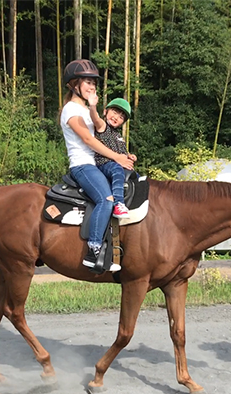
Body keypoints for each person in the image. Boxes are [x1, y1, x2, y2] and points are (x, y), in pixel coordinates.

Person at [59, 59, 135, 272]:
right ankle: (93, 250)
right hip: (83, 165)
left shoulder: (85, 109)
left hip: (96, 164)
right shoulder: (71, 110)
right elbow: (89, 140)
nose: (92, 86)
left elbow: (103, 133)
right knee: (106, 199)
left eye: (94, 83)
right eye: (87, 82)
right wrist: (117, 158)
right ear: (74, 84)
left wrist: (125, 156)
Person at [92, 98, 137, 219]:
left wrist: (129, 156)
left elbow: (122, 151)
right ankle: (118, 203)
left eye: (121, 117)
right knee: (117, 170)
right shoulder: (102, 126)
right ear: (106, 111)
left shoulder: (118, 136)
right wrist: (92, 106)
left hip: (117, 164)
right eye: (115, 112)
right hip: (104, 162)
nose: (117, 117)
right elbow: (95, 118)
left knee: (136, 176)